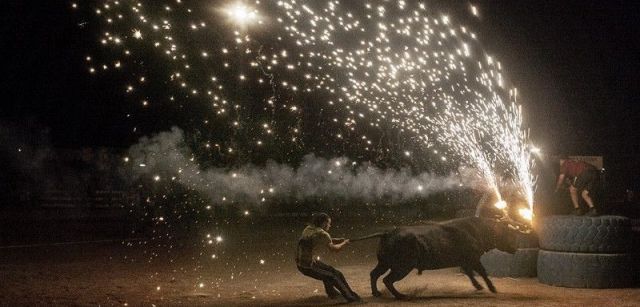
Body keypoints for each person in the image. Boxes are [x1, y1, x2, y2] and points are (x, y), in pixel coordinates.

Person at [295, 213, 361, 303]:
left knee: (334, 272)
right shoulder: (323, 233)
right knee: (332, 277)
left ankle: (333, 293)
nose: (330, 225)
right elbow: (335, 249)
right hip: (307, 266)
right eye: (329, 223)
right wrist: (345, 243)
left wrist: (339, 240)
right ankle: (350, 298)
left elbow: (321, 238)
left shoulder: (309, 228)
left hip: (303, 262)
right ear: (323, 223)